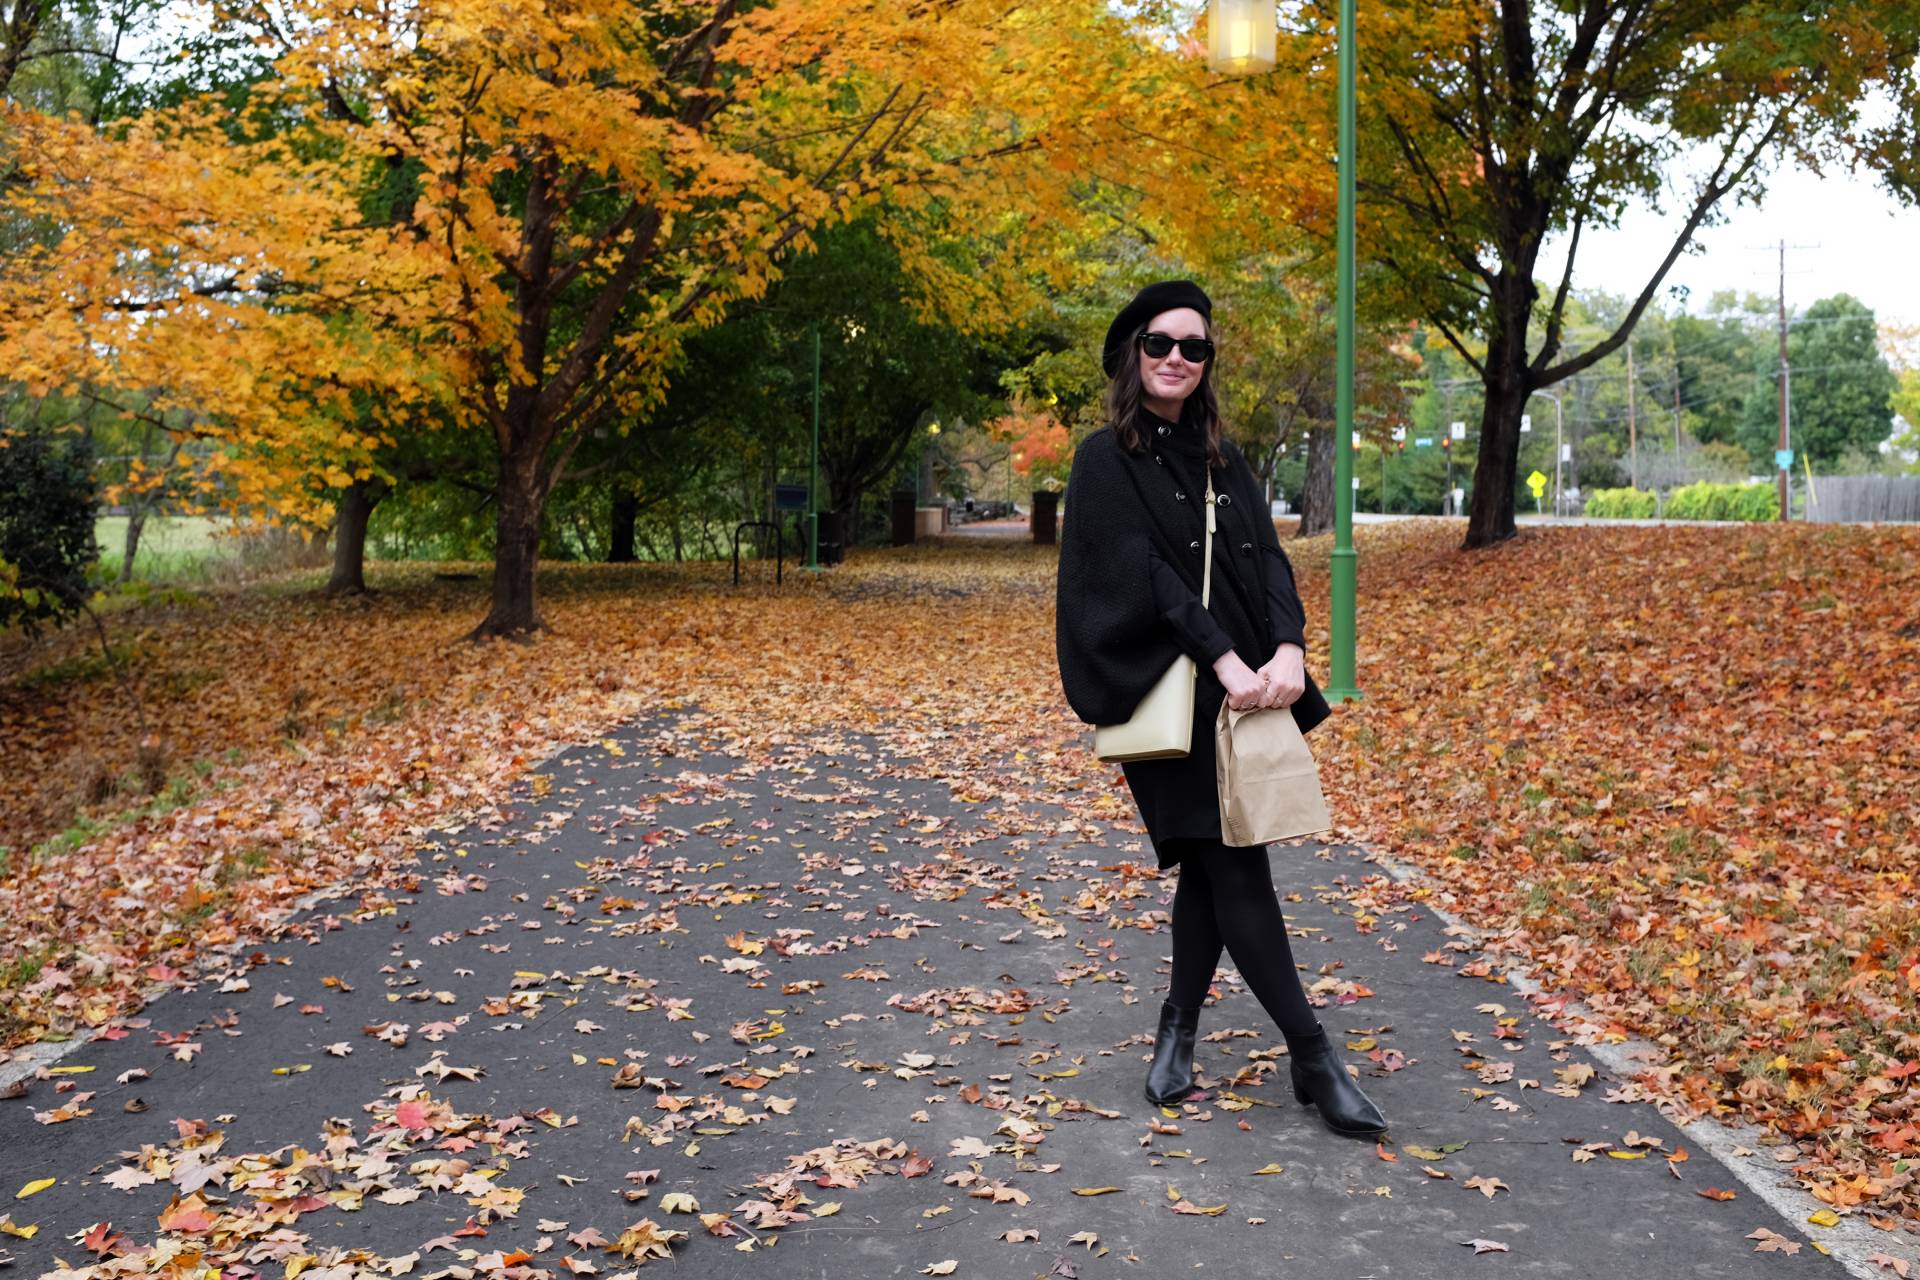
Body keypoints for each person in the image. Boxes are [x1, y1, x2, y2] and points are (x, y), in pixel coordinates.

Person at [1054, 279, 1388, 1140]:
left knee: (1215, 862)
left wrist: (1288, 646)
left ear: (1207, 363)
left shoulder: (1223, 458)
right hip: (1166, 691)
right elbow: (1143, 581)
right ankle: (1312, 1058)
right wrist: (1227, 659)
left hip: (1245, 689)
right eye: (1161, 343)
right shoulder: (1103, 459)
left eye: (1194, 348)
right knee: (1234, 866)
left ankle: (1178, 1032)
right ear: (1133, 352)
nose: (1176, 359)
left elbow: (1270, 559)